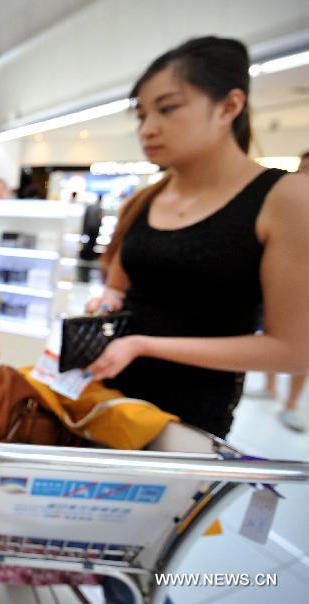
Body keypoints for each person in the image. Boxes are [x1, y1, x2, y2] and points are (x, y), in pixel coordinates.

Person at [83, 36, 309, 439]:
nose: (148, 128)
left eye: (168, 109)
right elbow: (118, 288)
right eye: (141, 115)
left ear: (228, 107)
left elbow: (293, 350)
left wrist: (145, 345)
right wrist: (107, 302)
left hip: (189, 423)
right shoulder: (145, 199)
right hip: (108, 399)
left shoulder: (286, 198)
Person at [261, 150, 309, 432]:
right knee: (270, 331)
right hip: (277, 279)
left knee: (299, 344)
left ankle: (291, 403)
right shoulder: (284, 198)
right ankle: (269, 385)